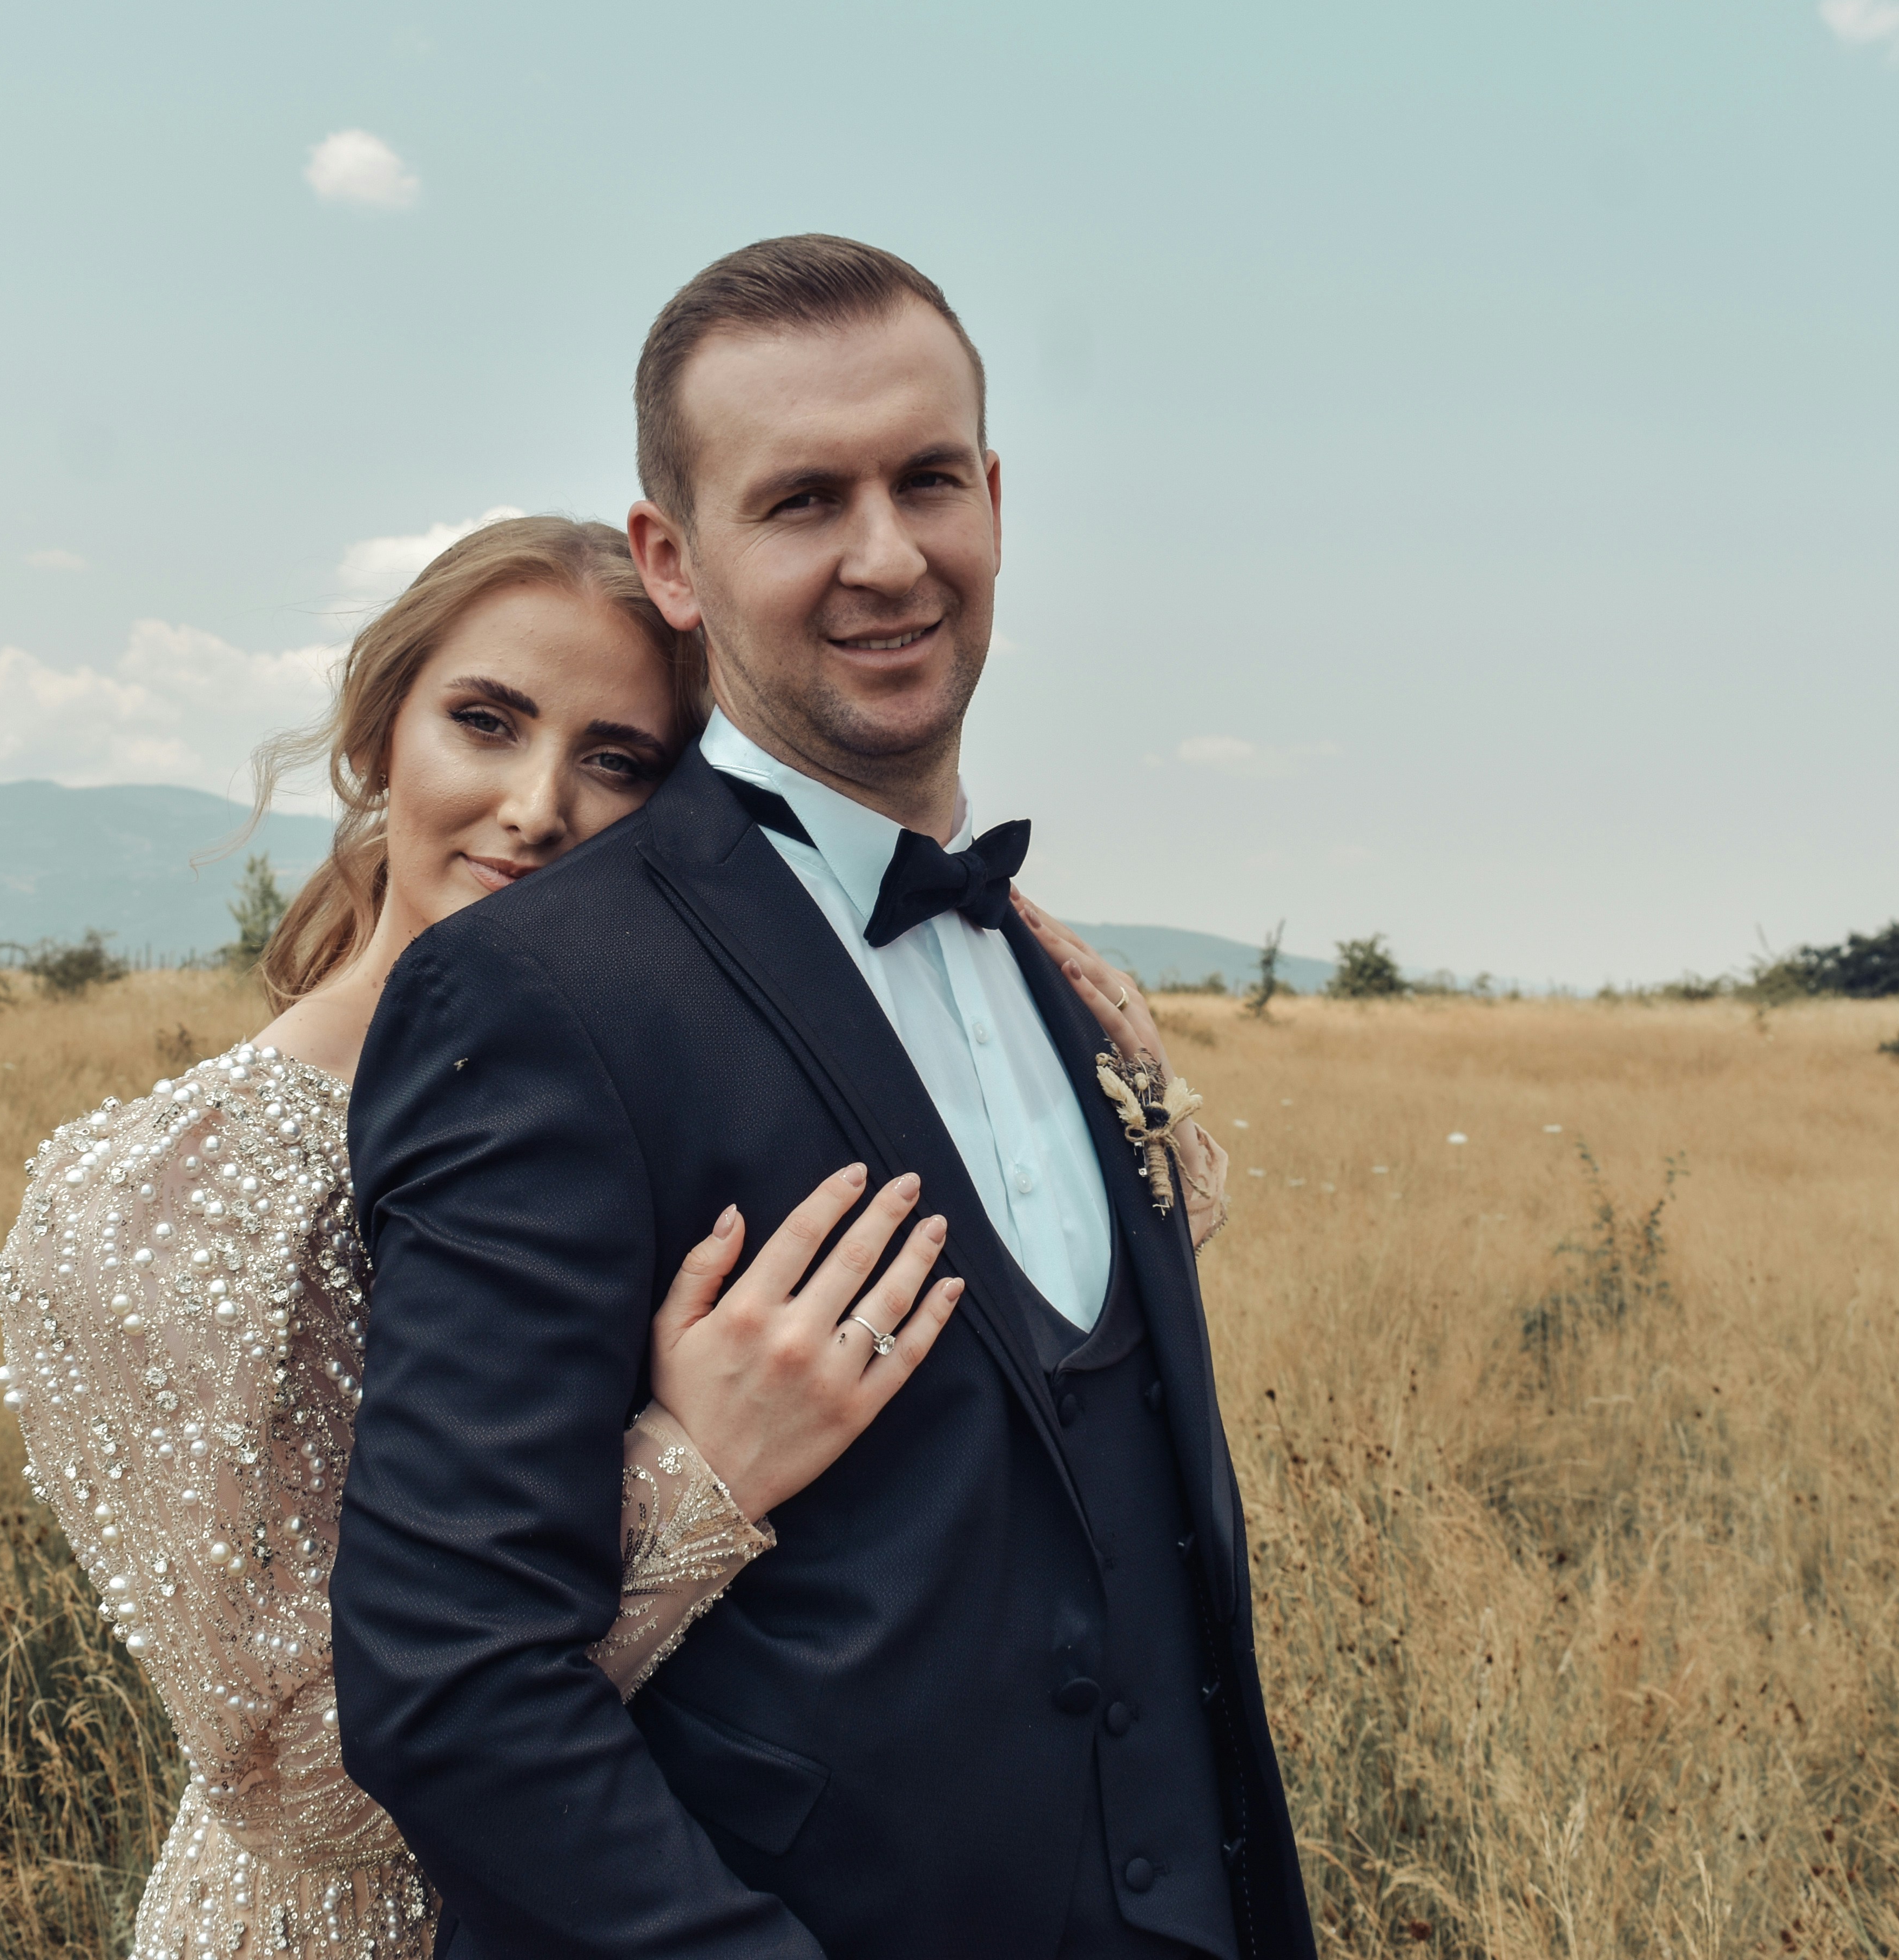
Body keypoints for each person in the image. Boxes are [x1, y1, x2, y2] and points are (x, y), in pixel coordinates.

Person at [332, 237, 1308, 1958]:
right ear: (675, 561)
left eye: (929, 480)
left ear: (995, 498)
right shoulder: (537, 992)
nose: (887, 556)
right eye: (800, 502)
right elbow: (452, 1687)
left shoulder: (1058, 982)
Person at [0, 517, 992, 1959]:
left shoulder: (682, 1120)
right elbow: (290, 1785)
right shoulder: (166, 1195)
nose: (537, 808)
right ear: (379, 736)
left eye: (620, 760)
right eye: (487, 722)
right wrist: (696, 1479)